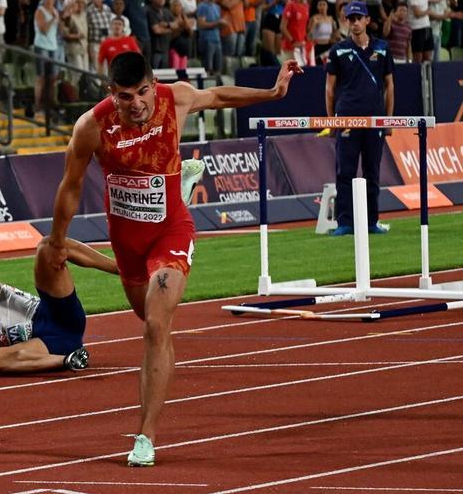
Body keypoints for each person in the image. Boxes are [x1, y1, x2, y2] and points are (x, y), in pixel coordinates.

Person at [45, 51, 301, 467]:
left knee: (156, 326)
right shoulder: (92, 126)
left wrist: (272, 93)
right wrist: (57, 239)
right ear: (113, 93)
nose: (138, 104)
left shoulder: (174, 98)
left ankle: (145, 436)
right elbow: (70, 186)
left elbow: (218, 96)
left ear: (153, 84)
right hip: (127, 242)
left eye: (143, 92)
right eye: (126, 97)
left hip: (171, 230)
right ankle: (178, 183)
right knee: (145, 317)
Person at [0, 239, 118, 373]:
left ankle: (124, 270)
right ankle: (70, 360)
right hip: (47, 346)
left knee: (48, 247)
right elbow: (1, 355)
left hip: (56, 314)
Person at [325, 1, 394, 236]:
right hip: (346, 120)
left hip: (375, 120)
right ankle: (344, 223)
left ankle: (371, 221)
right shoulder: (338, 51)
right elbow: (329, 89)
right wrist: (331, 121)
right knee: (345, 171)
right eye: (350, 18)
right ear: (346, 21)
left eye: (358, 18)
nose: (354, 22)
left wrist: (389, 121)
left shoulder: (382, 48)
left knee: (372, 171)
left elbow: (390, 86)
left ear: (367, 20)